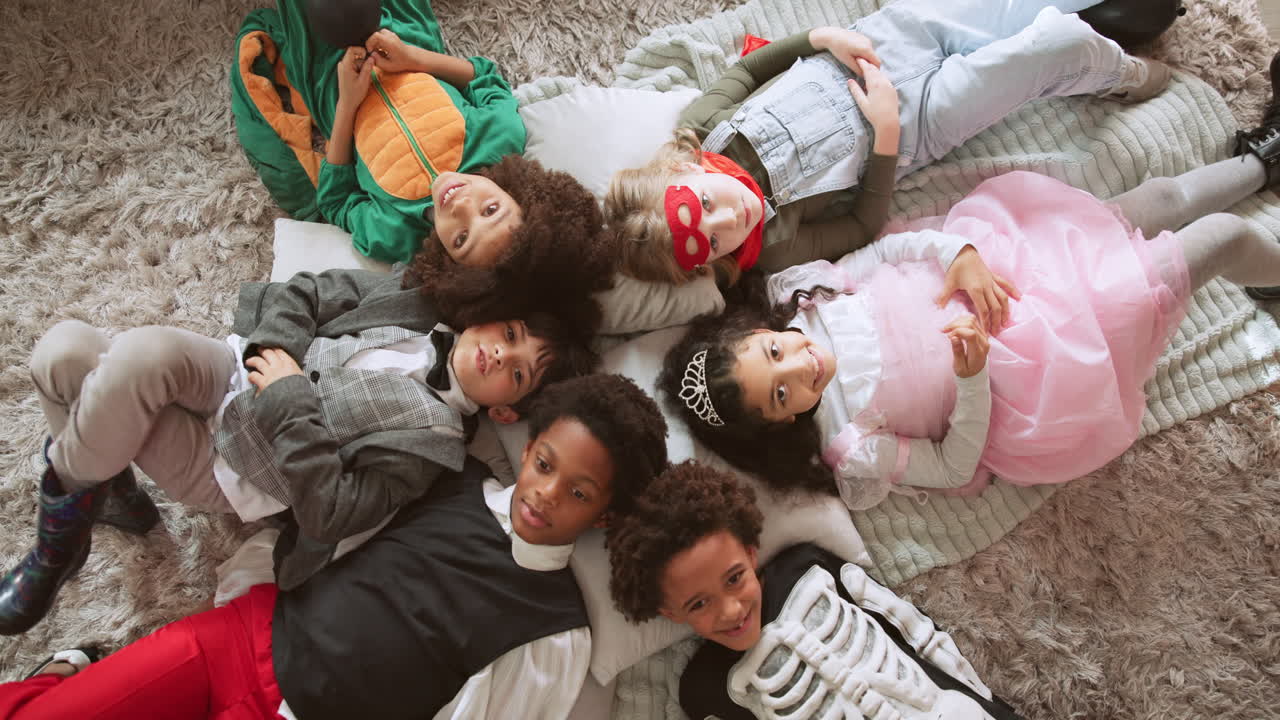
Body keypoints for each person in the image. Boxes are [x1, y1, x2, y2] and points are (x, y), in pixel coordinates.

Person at [658, 101, 1280, 509]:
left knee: (1163, 198)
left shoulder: (807, 297)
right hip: (1040, 359)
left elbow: (897, 248)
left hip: (1014, 263)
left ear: (760, 330)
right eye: (782, 393)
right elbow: (957, 464)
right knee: (1217, 241)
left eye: (775, 352)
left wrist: (959, 255)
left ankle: (1262, 159)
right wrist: (972, 375)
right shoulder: (853, 444)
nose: (801, 366)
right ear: (781, 423)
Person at [0, 373, 670, 720]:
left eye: (579, 494)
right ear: (530, 446)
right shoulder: (449, 478)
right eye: (545, 463)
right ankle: (58, 677)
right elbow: (334, 525)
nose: (547, 494)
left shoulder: (555, 636)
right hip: (241, 641)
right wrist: (251, 581)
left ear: (606, 517)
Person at [0, 267, 597, 635]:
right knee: (60, 350)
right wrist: (275, 349)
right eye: (510, 336)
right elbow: (308, 292)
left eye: (516, 374)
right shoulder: (414, 298)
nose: (500, 355)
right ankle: (106, 494)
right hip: (232, 371)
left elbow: (330, 513)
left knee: (81, 363)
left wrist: (288, 397)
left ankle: (60, 538)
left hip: (233, 464)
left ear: (503, 411)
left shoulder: (431, 446)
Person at [604, 0, 1173, 286]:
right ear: (717, 264)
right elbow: (860, 227)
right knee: (1056, 42)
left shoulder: (705, 125)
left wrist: (822, 37)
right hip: (916, 124)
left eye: (706, 203)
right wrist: (886, 137)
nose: (729, 216)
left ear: (685, 169)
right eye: (716, 240)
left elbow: (752, 69)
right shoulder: (772, 249)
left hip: (885, 42)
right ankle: (1122, 74)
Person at [232, 0, 616, 330]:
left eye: (461, 238)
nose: (462, 206)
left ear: (446, 262)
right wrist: (413, 58)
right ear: (516, 196)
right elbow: (483, 76)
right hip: (399, 31)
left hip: (326, 78)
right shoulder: (500, 139)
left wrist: (347, 102)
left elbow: (336, 202)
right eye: (491, 209)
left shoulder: (393, 232)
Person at [606, 462, 1023, 719]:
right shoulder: (702, 688)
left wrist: (979, 694)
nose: (731, 610)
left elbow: (909, 628)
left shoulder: (805, 565)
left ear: (751, 552)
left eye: (734, 578)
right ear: (670, 612)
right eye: (699, 603)